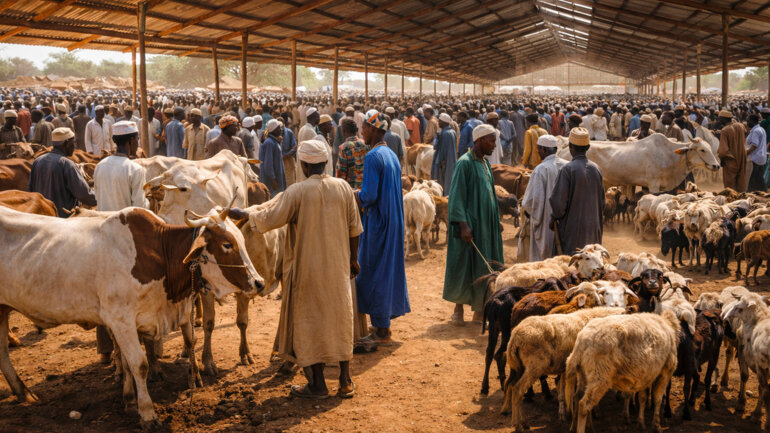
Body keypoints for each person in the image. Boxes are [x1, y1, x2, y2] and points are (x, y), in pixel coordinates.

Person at [229, 139, 362, 399]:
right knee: (340, 318)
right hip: (338, 265)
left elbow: (269, 218)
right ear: (325, 162)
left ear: (302, 164)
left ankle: (318, 385)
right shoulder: (344, 188)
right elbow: (355, 228)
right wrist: (353, 259)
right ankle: (345, 381)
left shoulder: (297, 192)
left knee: (309, 321)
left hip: (307, 269)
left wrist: (241, 214)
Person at [92, 121, 148, 363]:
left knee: (103, 294)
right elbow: (140, 208)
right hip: (127, 239)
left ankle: (105, 351)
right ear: (131, 141)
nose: (137, 144)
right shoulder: (134, 169)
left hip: (102, 234)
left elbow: (97, 198)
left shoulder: (100, 166)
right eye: (136, 140)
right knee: (134, 295)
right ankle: (138, 346)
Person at [355, 111, 409, 345]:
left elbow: (369, 196)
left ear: (375, 130)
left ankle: (380, 328)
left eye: (365, 127)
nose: (362, 132)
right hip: (394, 220)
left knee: (370, 271)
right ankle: (382, 324)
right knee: (387, 270)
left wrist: (352, 194)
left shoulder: (373, 157)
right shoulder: (392, 155)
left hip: (377, 223)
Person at [442, 124, 503, 324]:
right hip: (469, 226)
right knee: (463, 265)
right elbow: (456, 197)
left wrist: (496, 219)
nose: (494, 145)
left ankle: (480, 310)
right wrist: (462, 225)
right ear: (479, 141)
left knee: (483, 267)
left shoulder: (485, 163)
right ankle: (458, 310)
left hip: (486, 226)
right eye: (491, 141)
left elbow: (490, 194)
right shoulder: (464, 163)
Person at [549, 127, 605, 255]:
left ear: (570, 147)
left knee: (570, 265)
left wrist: (553, 218)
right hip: (593, 228)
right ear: (588, 147)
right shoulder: (597, 169)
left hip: (572, 230)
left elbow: (558, 204)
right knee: (592, 262)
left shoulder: (567, 170)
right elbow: (602, 203)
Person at [28, 127, 96, 217]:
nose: (74, 146)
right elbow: (84, 194)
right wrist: (99, 197)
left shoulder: (38, 161)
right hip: (61, 219)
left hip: (41, 217)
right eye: (73, 142)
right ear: (66, 143)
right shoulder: (67, 164)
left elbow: (30, 190)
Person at [520, 135, 567, 261]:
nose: (538, 152)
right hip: (564, 222)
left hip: (545, 221)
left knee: (543, 258)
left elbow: (531, 201)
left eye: (538, 149)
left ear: (544, 150)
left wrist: (530, 213)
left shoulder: (541, 169)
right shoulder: (567, 166)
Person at [717, 110, 748, 192]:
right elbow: (745, 132)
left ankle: (732, 201)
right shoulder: (741, 126)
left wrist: (722, 160)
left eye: (720, 118)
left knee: (730, 184)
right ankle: (740, 198)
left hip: (730, 160)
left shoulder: (725, 130)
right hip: (742, 158)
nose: (719, 120)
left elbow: (723, 151)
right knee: (741, 180)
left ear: (724, 118)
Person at [336, 118, 369, 189]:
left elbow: (341, 174)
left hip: (351, 191)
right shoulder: (365, 144)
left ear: (343, 131)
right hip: (365, 189)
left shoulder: (344, 148)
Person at [259, 119, 287, 196]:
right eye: (278, 128)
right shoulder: (269, 143)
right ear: (274, 130)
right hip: (272, 180)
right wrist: (273, 179)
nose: (281, 129)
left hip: (276, 177)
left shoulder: (273, 141)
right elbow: (268, 164)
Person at [431, 113, 457, 196]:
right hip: (451, 161)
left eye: (440, 121)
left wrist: (437, 138)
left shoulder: (444, 134)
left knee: (442, 183)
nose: (438, 123)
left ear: (445, 122)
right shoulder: (453, 132)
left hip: (443, 163)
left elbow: (438, 148)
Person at [746, 114, 767, 192]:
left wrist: (745, 153)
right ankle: (764, 193)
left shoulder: (755, 131)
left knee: (752, 180)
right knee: (759, 179)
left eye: (748, 121)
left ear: (752, 121)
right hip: (760, 158)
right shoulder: (761, 129)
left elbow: (754, 145)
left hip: (755, 158)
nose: (747, 123)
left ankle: (750, 194)